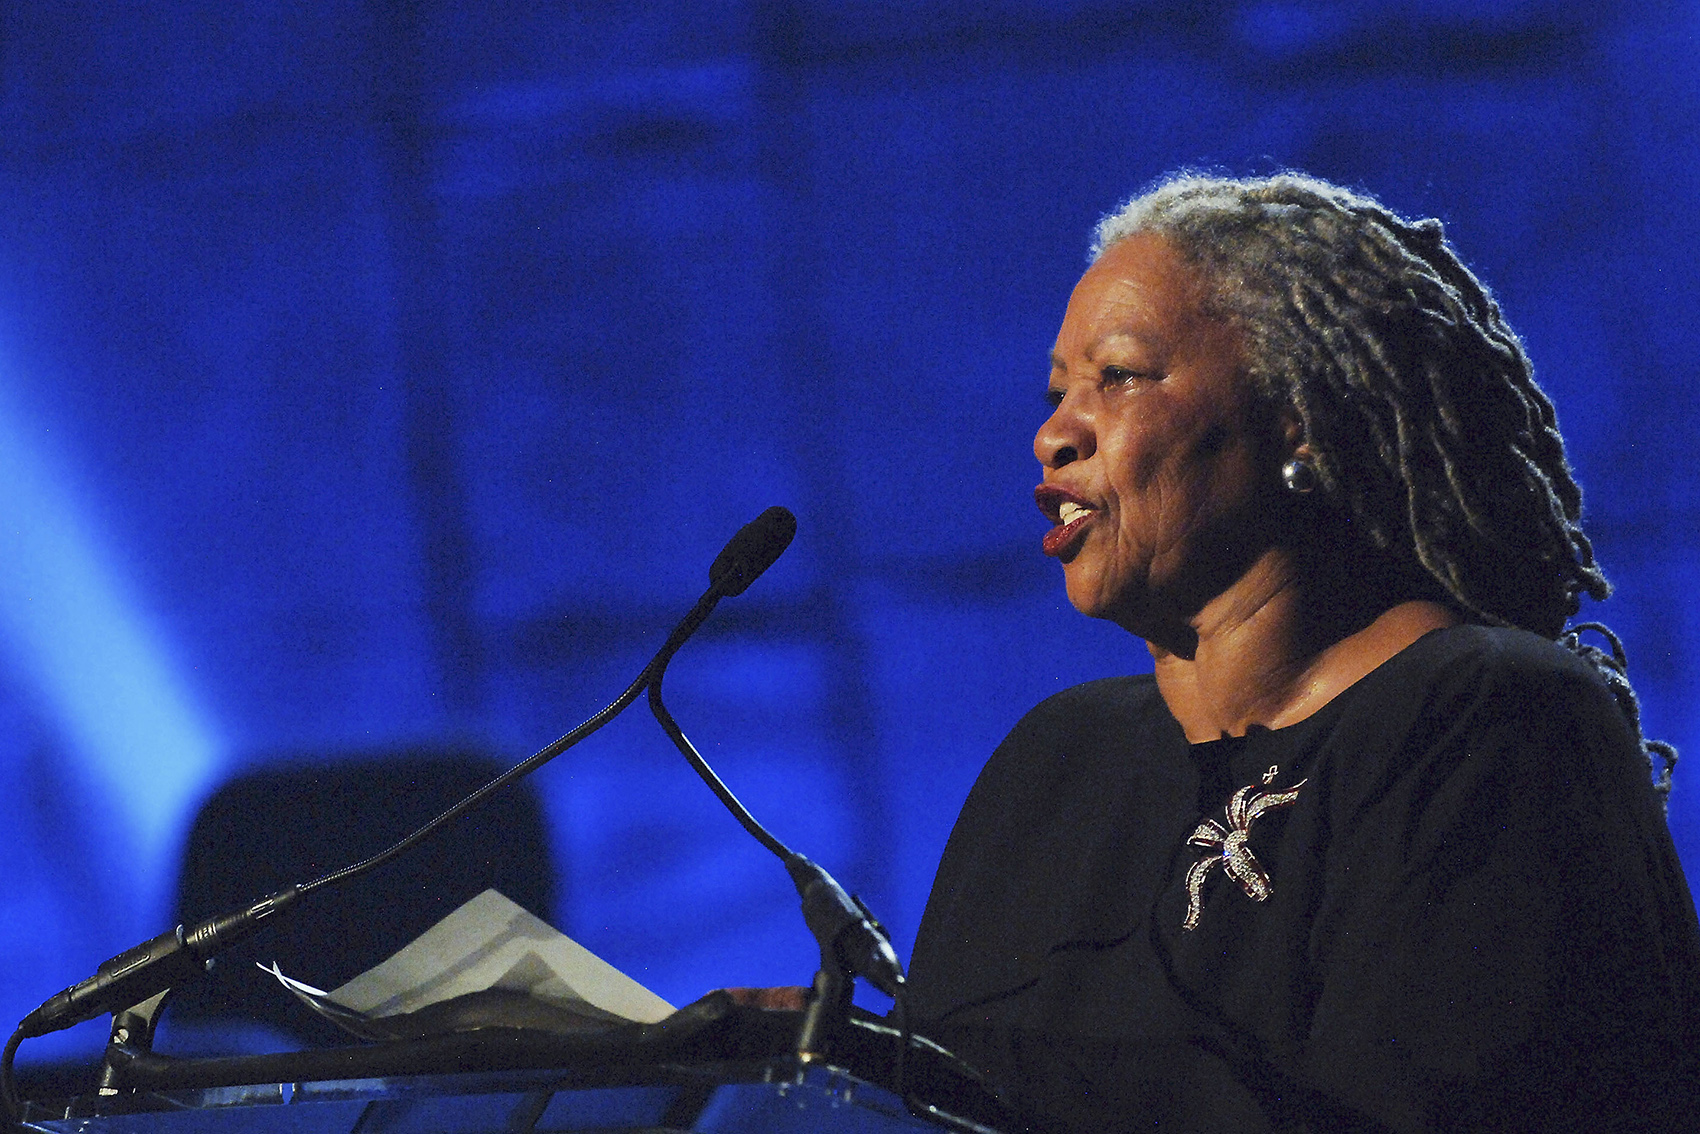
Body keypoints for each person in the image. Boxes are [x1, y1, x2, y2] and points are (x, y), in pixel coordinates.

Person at [903, 173, 1700, 1133]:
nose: (1053, 434)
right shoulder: (1055, 765)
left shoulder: (1493, 717)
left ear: (1300, 417)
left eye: (1120, 375)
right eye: (1056, 391)